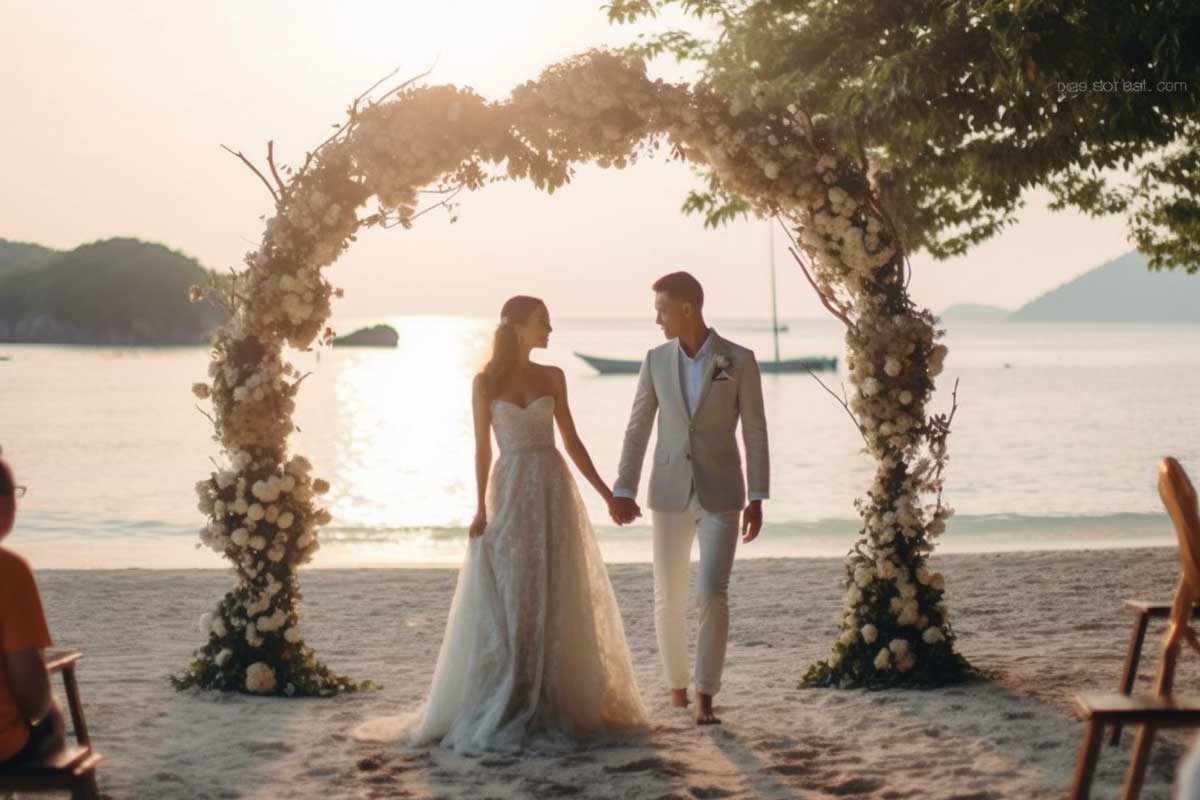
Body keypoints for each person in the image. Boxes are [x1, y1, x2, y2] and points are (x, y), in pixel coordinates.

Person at [355, 296, 647, 753]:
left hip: (553, 488)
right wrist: (479, 509)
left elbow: (571, 440)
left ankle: (553, 694)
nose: (549, 329)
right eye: (542, 322)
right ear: (516, 327)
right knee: (515, 594)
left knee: (557, 585)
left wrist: (608, 494)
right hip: (510, 488)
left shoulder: (554, 376)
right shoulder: (485, 381)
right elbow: (481, 450)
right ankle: (512, 691)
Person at [611, 271, 770, 725]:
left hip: (724, 493)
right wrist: (623, 486)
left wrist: (758, 495)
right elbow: (638, 426)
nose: (656, 318)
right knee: (669, 596)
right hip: (668, 492)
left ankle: (705, 696)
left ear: (687, 309)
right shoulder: (655, 360)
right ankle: (676, 689)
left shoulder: (739, 359)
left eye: (662, 309)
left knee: (711, 594)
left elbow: (755, 432)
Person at [0, 456, 65, 765]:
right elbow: (31, 695)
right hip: (4, 747)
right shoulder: (10, 572)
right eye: (14, 493)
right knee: (50, 714)